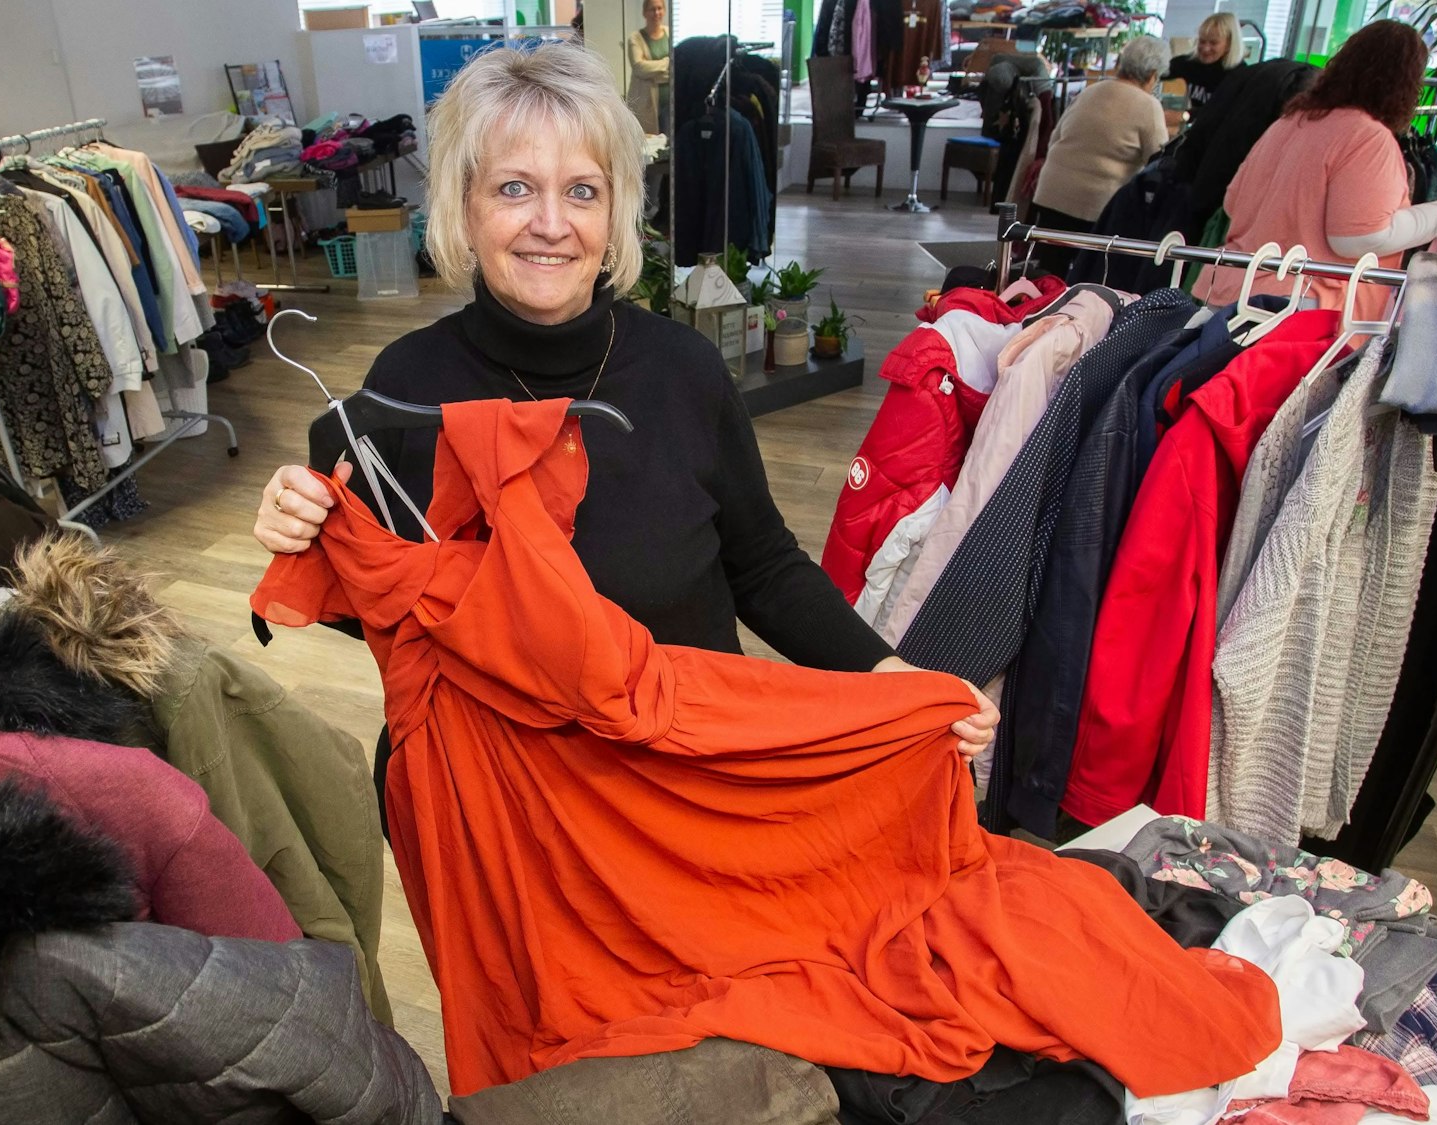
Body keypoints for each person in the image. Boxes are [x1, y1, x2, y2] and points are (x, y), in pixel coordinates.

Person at [253, 44, 999, 784]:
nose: (552, 222)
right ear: (462, 205)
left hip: (690, 776)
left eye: (582, 191)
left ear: (615, 212)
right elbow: (385, 614)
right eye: (515, 188)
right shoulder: (406, 390)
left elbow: (764, 567)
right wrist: (309, 538)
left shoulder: (686, 368)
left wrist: (890, 673)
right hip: (509, 806)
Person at [1195, 19, 1437, 322]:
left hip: (1232, 290)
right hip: (1296, 310)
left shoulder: (1290, 122)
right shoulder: (1368, 138)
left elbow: (1233, 202)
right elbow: (1359, 238)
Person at [1031, 35, 1172, 278]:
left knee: (1048, 273)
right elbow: (1158, 161)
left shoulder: (1091, 90)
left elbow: (1056, 137)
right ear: (1152, 75)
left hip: (1052, 192)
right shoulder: (1149, 106)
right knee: (1092, 274)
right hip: (1095, 204)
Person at [1166, 12, 1246, 113]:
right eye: (1202, 41)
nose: (1205, 48)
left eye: (1213, 43)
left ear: (1229, 44)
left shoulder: (1239, 76)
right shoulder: (1179, 65)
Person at [626, 0, 671, 136]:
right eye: (652, 9)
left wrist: (652, 69)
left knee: (670, 144)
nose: (656, 13)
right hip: (646, 103)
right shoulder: (635, 38)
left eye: (659, 8)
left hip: (669, 104)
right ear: (644, 12)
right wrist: (667, 62)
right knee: (650, 146)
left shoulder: (670, 34)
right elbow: (640, 68)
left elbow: (678, 65)